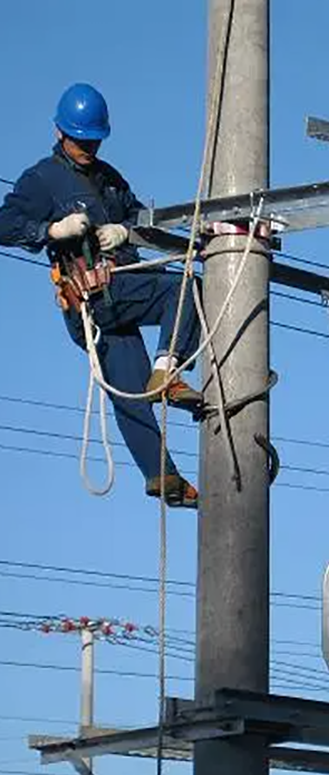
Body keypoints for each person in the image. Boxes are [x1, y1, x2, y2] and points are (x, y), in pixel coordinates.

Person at [0, 83, 202, 509]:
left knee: (130, 390)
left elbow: (137, 217)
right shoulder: (42, 179)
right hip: (94, 299)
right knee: (186, 290)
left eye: (94, 139)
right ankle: (168, 369)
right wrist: (49, 231)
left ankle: (160, 474)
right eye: (80, 139)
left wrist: (126, 231)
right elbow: (4, 223)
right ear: (60, 133)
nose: (88, 147)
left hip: (120, 290)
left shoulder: (110, 180)